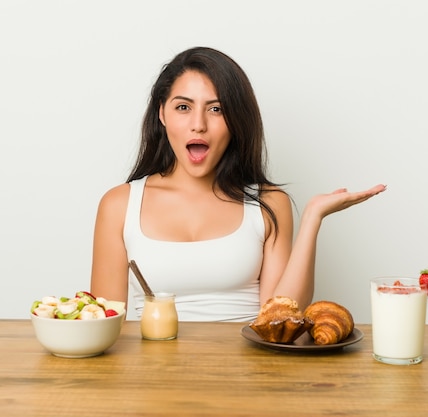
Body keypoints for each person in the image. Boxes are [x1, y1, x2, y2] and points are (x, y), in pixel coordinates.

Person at [90, 46, 386, 322]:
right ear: (161, 113)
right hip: (154, 373)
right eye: (183, 107)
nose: (199, 124)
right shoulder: (119, 205)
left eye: (216, 109)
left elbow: (282, 320)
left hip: (249, 373)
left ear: (236, 120)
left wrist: (312, 218)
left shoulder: (269, 203)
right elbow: (101, 327)